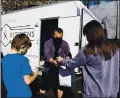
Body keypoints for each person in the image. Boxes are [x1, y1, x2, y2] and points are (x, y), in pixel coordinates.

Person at [57, 20, 120, 97]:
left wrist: (62, 60)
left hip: (93, 94)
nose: (86, 38)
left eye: (86, 34)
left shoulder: (88, 50)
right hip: (112, 94)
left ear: (90, 35)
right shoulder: (115, 48)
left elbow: (71, 64)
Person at [40, 28, 71, 98]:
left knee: (60, 85)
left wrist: (64, 59)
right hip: (49, 67)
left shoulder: (65, 43)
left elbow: (68, 54)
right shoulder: (48, 43)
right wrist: (53, 61)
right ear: (53, 35)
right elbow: (46, 54)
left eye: (61, 37)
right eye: (57, 37)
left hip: (60, 68)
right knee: (44, 85)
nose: (59, 39)